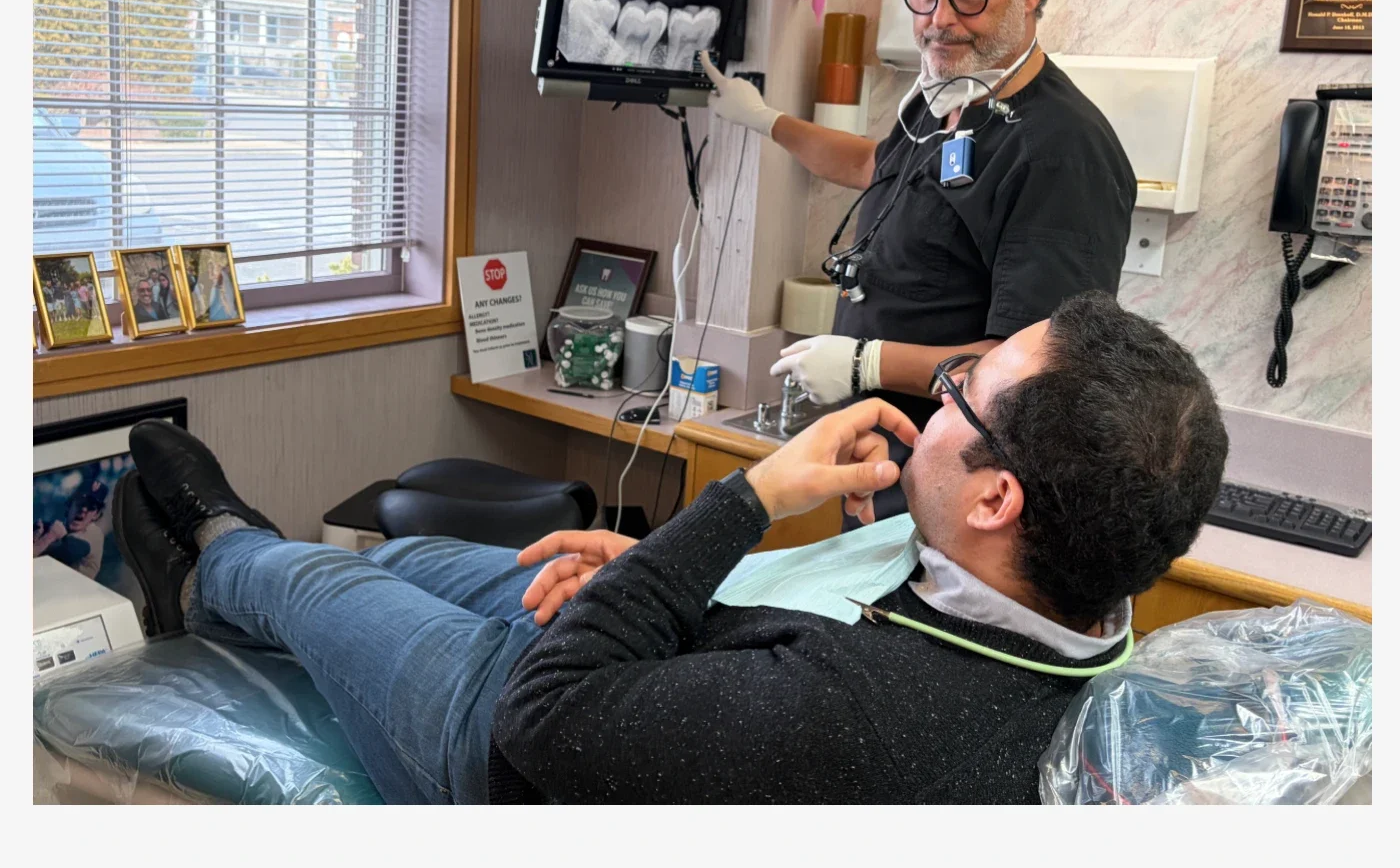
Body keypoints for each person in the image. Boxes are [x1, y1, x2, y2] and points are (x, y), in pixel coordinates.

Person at [115, 292, 1227, 804]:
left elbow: (540, 716)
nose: (926, 400)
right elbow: (784, 628)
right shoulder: (1063, 606)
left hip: (511, 741)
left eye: (958, 393)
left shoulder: (866, 715)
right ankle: (212, 607)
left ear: (993, 496)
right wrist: (650, 573)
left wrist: (746, 497)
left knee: (306, 571)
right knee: (396, 562)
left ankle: (214, 550)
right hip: (647, 643)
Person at [700, 0, 1136, 526]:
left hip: (959, 503)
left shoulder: (1061, 151)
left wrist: (865, 361)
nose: (940, 18)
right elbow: (874, 165)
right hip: (889, 467)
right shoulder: (956, 100)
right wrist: (765, 120)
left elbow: (1029, 374)